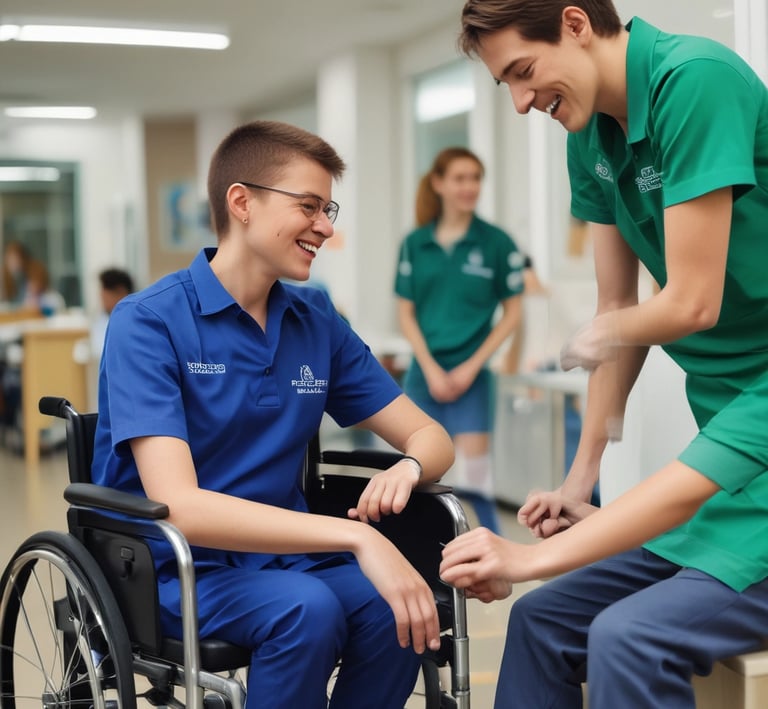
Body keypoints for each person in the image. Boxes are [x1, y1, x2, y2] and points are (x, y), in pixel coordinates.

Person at [439, 2, 768, 708]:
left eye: (525, 73)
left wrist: (526, 557)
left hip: (757, 426)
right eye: (509, 88)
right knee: (541, 618)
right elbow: (618, 310)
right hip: (732, 454)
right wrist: (579, 480)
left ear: (577, 23)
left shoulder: (694, 81)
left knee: (627, 635)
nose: (524, 103)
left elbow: (691, 302)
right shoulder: (588, 136)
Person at [91, 121, 455, 709]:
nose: (326, 227)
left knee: (402, 604)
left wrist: (408, 467)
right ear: (242, 202)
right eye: (308, 206)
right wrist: (358, 539)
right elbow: (180, 506)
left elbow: (430, 434)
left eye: (328, 207)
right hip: (175, 569)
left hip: (288, 556)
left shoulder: (315, 319)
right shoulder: (148, 321)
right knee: (305, 611)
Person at [394, 147, 524, 535]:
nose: (470, 187)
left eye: (476, 178)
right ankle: (418, 549)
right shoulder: (415, 244)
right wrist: (431, 368)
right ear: (439, 183)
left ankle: (489, 551)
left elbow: (513, 314)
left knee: (475, 477)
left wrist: (471, 367)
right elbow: (406, 313)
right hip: (423, 375)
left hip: (473, 377)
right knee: (418, 470)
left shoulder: (497, 243)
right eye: (460, 178)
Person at [91, 267, 135, 358]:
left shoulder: (133, 322)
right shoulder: (101, 319)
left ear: (121, 291)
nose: (101, 296)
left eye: (105, 291)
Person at [2, 241, 49, 310]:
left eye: (15, 259)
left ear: (22, 258)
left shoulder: (35, 271)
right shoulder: (8, 276)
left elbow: (34, 299)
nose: (13, 263)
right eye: (10, 260)